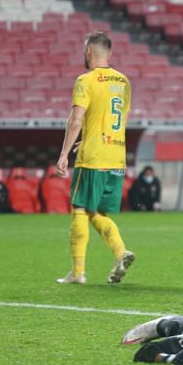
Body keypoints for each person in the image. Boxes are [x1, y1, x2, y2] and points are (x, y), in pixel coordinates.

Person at [55, 31, 135, 285]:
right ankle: (121, 252)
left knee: (79, 208)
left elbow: (76, 118)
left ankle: (78, 272)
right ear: (109, 53)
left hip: (93, 157)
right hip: (116, 155)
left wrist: (64, 152)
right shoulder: (123, 81)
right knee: (97, 212)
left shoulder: (86, 80)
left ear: (89, 50)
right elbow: (121, 119)